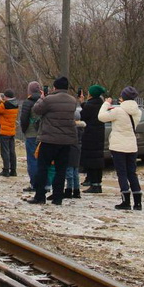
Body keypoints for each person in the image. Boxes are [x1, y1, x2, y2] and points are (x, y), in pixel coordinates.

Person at [26, 77, 77, 205]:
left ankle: (40, 196)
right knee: (61, 169)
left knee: (43, 167)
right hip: (66, 140)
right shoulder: (72, 101)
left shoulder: (48, 100)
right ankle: (57, 197)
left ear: (55, 87)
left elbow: (36, 110)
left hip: (49, 139)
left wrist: (42, 98)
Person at [98, 86, 143, 210]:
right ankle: (138, 202)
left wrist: (106, 104)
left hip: (118, 145)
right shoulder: (138, 112)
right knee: (132, 173)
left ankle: (126, 201)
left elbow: (101, 117)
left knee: (122, 173)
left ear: (123, 97)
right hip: (132, 145)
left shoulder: (118, 111)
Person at [79, 85, 107, 194]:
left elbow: (83, 115)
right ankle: (97, 183)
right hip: (99, 135)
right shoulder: (101, 104)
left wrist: (82, 103)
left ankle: (94, 183)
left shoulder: (89, 105)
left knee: (91, 160)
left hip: (90, 135)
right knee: (97, 159)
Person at [18, 82, 42, 193]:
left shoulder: (28, 102)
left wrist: (24, 130)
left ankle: (34, 184)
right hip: (43, 134)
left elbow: (24, 119)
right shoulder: (44, 101)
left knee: (32, 160)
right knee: (42, 160)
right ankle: (44, 183)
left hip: (32, 134)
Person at [0, 90, 18, 176]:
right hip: (11, 131)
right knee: (12, 151)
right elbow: (6, 105)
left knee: (4, 151)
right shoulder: (15, 104)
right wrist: (0, 101)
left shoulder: (4, 105)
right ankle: (13, 170)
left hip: (4, 131)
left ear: (6, 97)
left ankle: (5, 170)